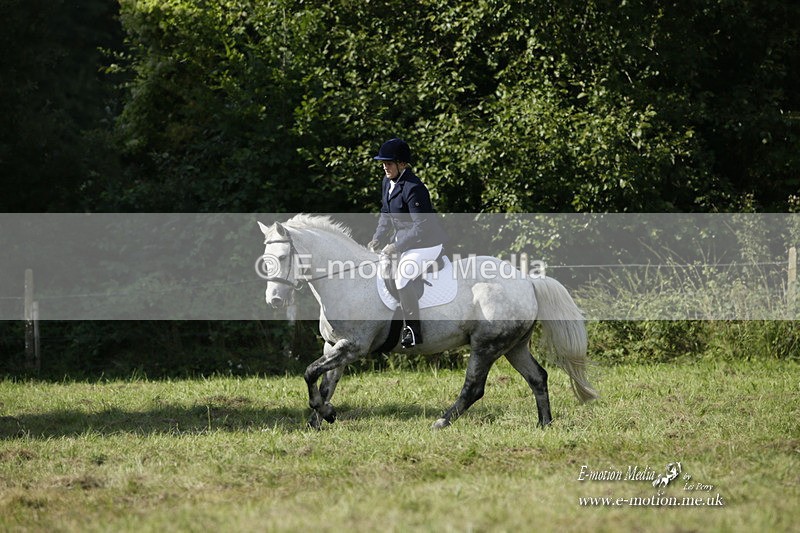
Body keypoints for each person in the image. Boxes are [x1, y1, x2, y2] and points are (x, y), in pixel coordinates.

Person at [367, 138, 448, 348]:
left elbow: (422, 226)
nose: (385, 167)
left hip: (427, 244)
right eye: (383, 163)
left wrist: (397, 246)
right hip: (406, 241)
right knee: (381, 268)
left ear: (402, 164)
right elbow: (386, 214)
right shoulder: (387, 182)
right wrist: (377, 237)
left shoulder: (414, 188)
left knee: (402, 276)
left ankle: (413, 330)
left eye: (389, 163)